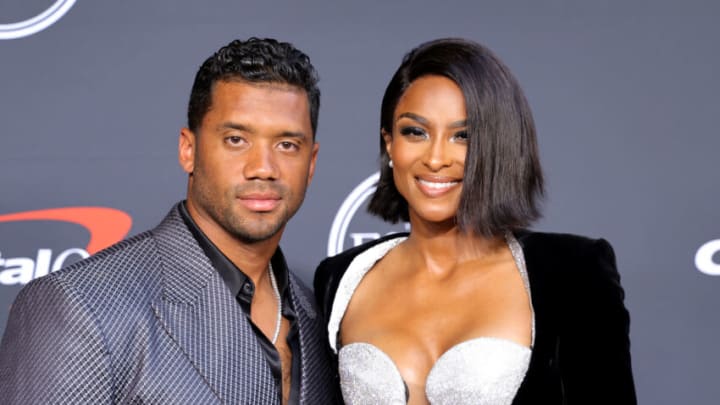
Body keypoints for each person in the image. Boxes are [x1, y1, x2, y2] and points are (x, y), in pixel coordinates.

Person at [0, 38, 338, 404]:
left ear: (312, 162)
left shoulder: (325, 317)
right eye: (236, 139)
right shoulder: (80, 305)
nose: (263, 168)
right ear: (188, 150)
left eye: (287, 145)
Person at [314, 38, 636, 405]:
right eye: (415, 132)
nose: (436, 158)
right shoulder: (340, 279)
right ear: (390, 144)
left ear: (497, 147)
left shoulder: (572, 271)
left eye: (463, 136)